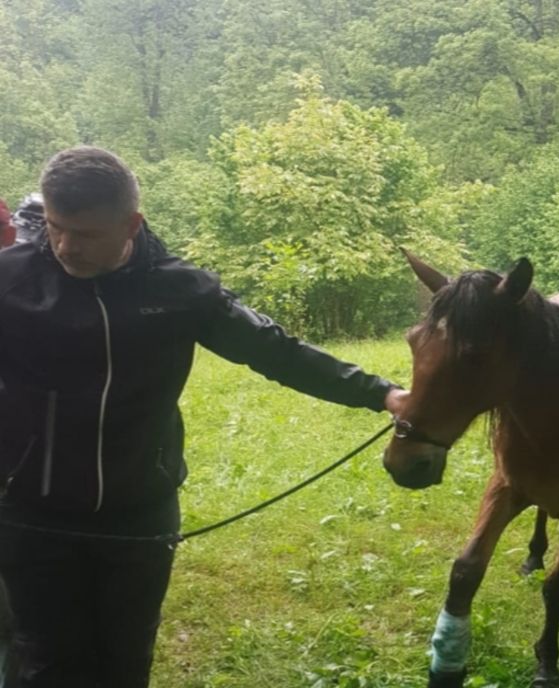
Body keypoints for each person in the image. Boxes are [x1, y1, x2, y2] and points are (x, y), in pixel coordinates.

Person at [0, 146, 408, 687]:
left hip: (140, 511)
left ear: (131, 224)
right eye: (56, 228)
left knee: (125, 659)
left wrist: (382, 394)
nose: (66, 247)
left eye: (87, 234)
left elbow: (274, 351)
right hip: (31, 514)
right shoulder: (11, 281)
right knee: (45, 661)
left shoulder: (181, 291)